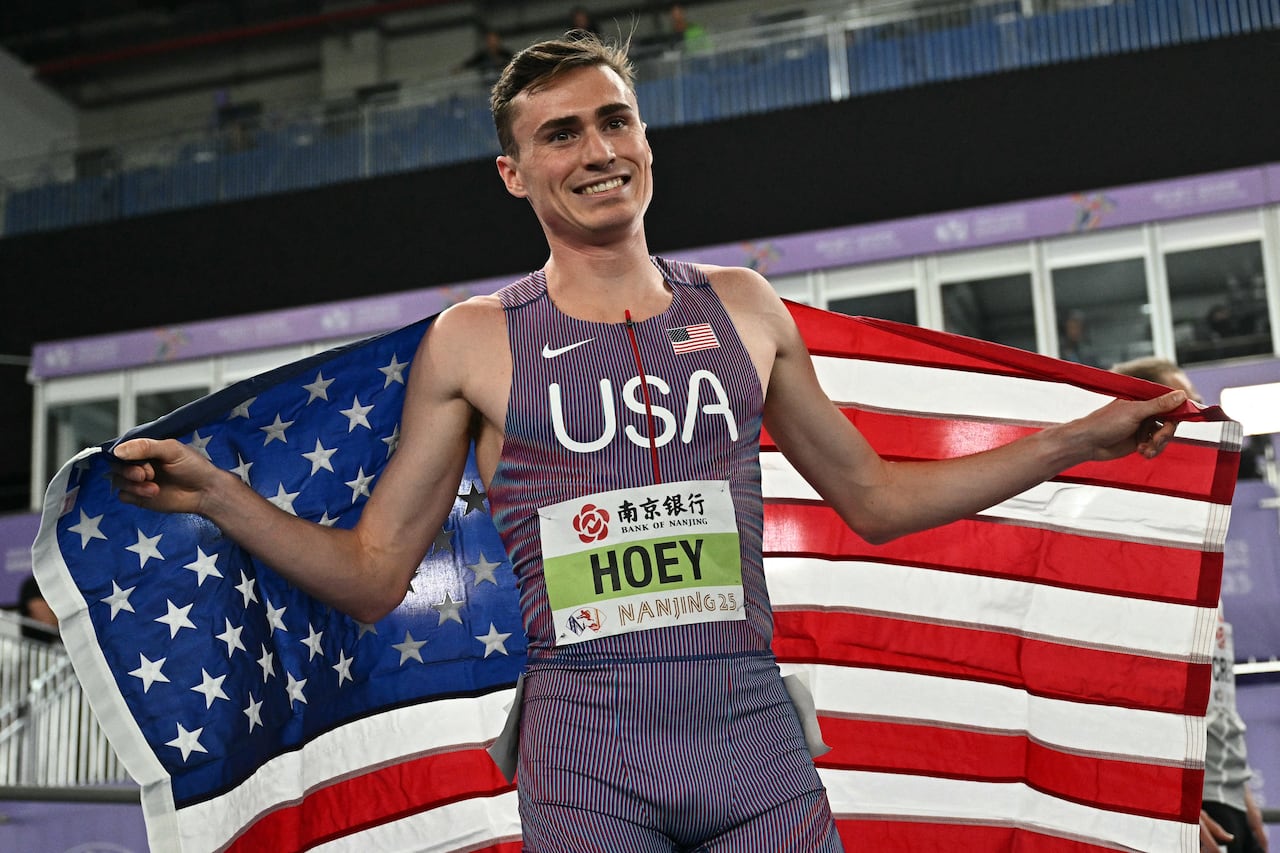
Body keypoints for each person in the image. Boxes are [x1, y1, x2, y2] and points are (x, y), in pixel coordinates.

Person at [112, 33, 1188, 852]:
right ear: (512, 173)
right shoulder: (473, 341)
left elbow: (875, 497)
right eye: (560, 134)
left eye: (614, 121)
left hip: (752, 744)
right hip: (586, 762)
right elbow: (371, 572)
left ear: (644, 139)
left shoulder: (744, 306)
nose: (597, 151)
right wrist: (217, 495)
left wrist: (1081, 437)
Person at [1112, 357, 1268, 853]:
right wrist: (1162, 796)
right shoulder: (1131, 537)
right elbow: (1121, 684)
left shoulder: (1194, 532)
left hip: (1225, 795)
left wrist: (1241, 789)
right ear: (1148, 425)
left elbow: (1213, 691)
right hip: (1182, 803)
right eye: (1188, 407)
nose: (1204, 416)